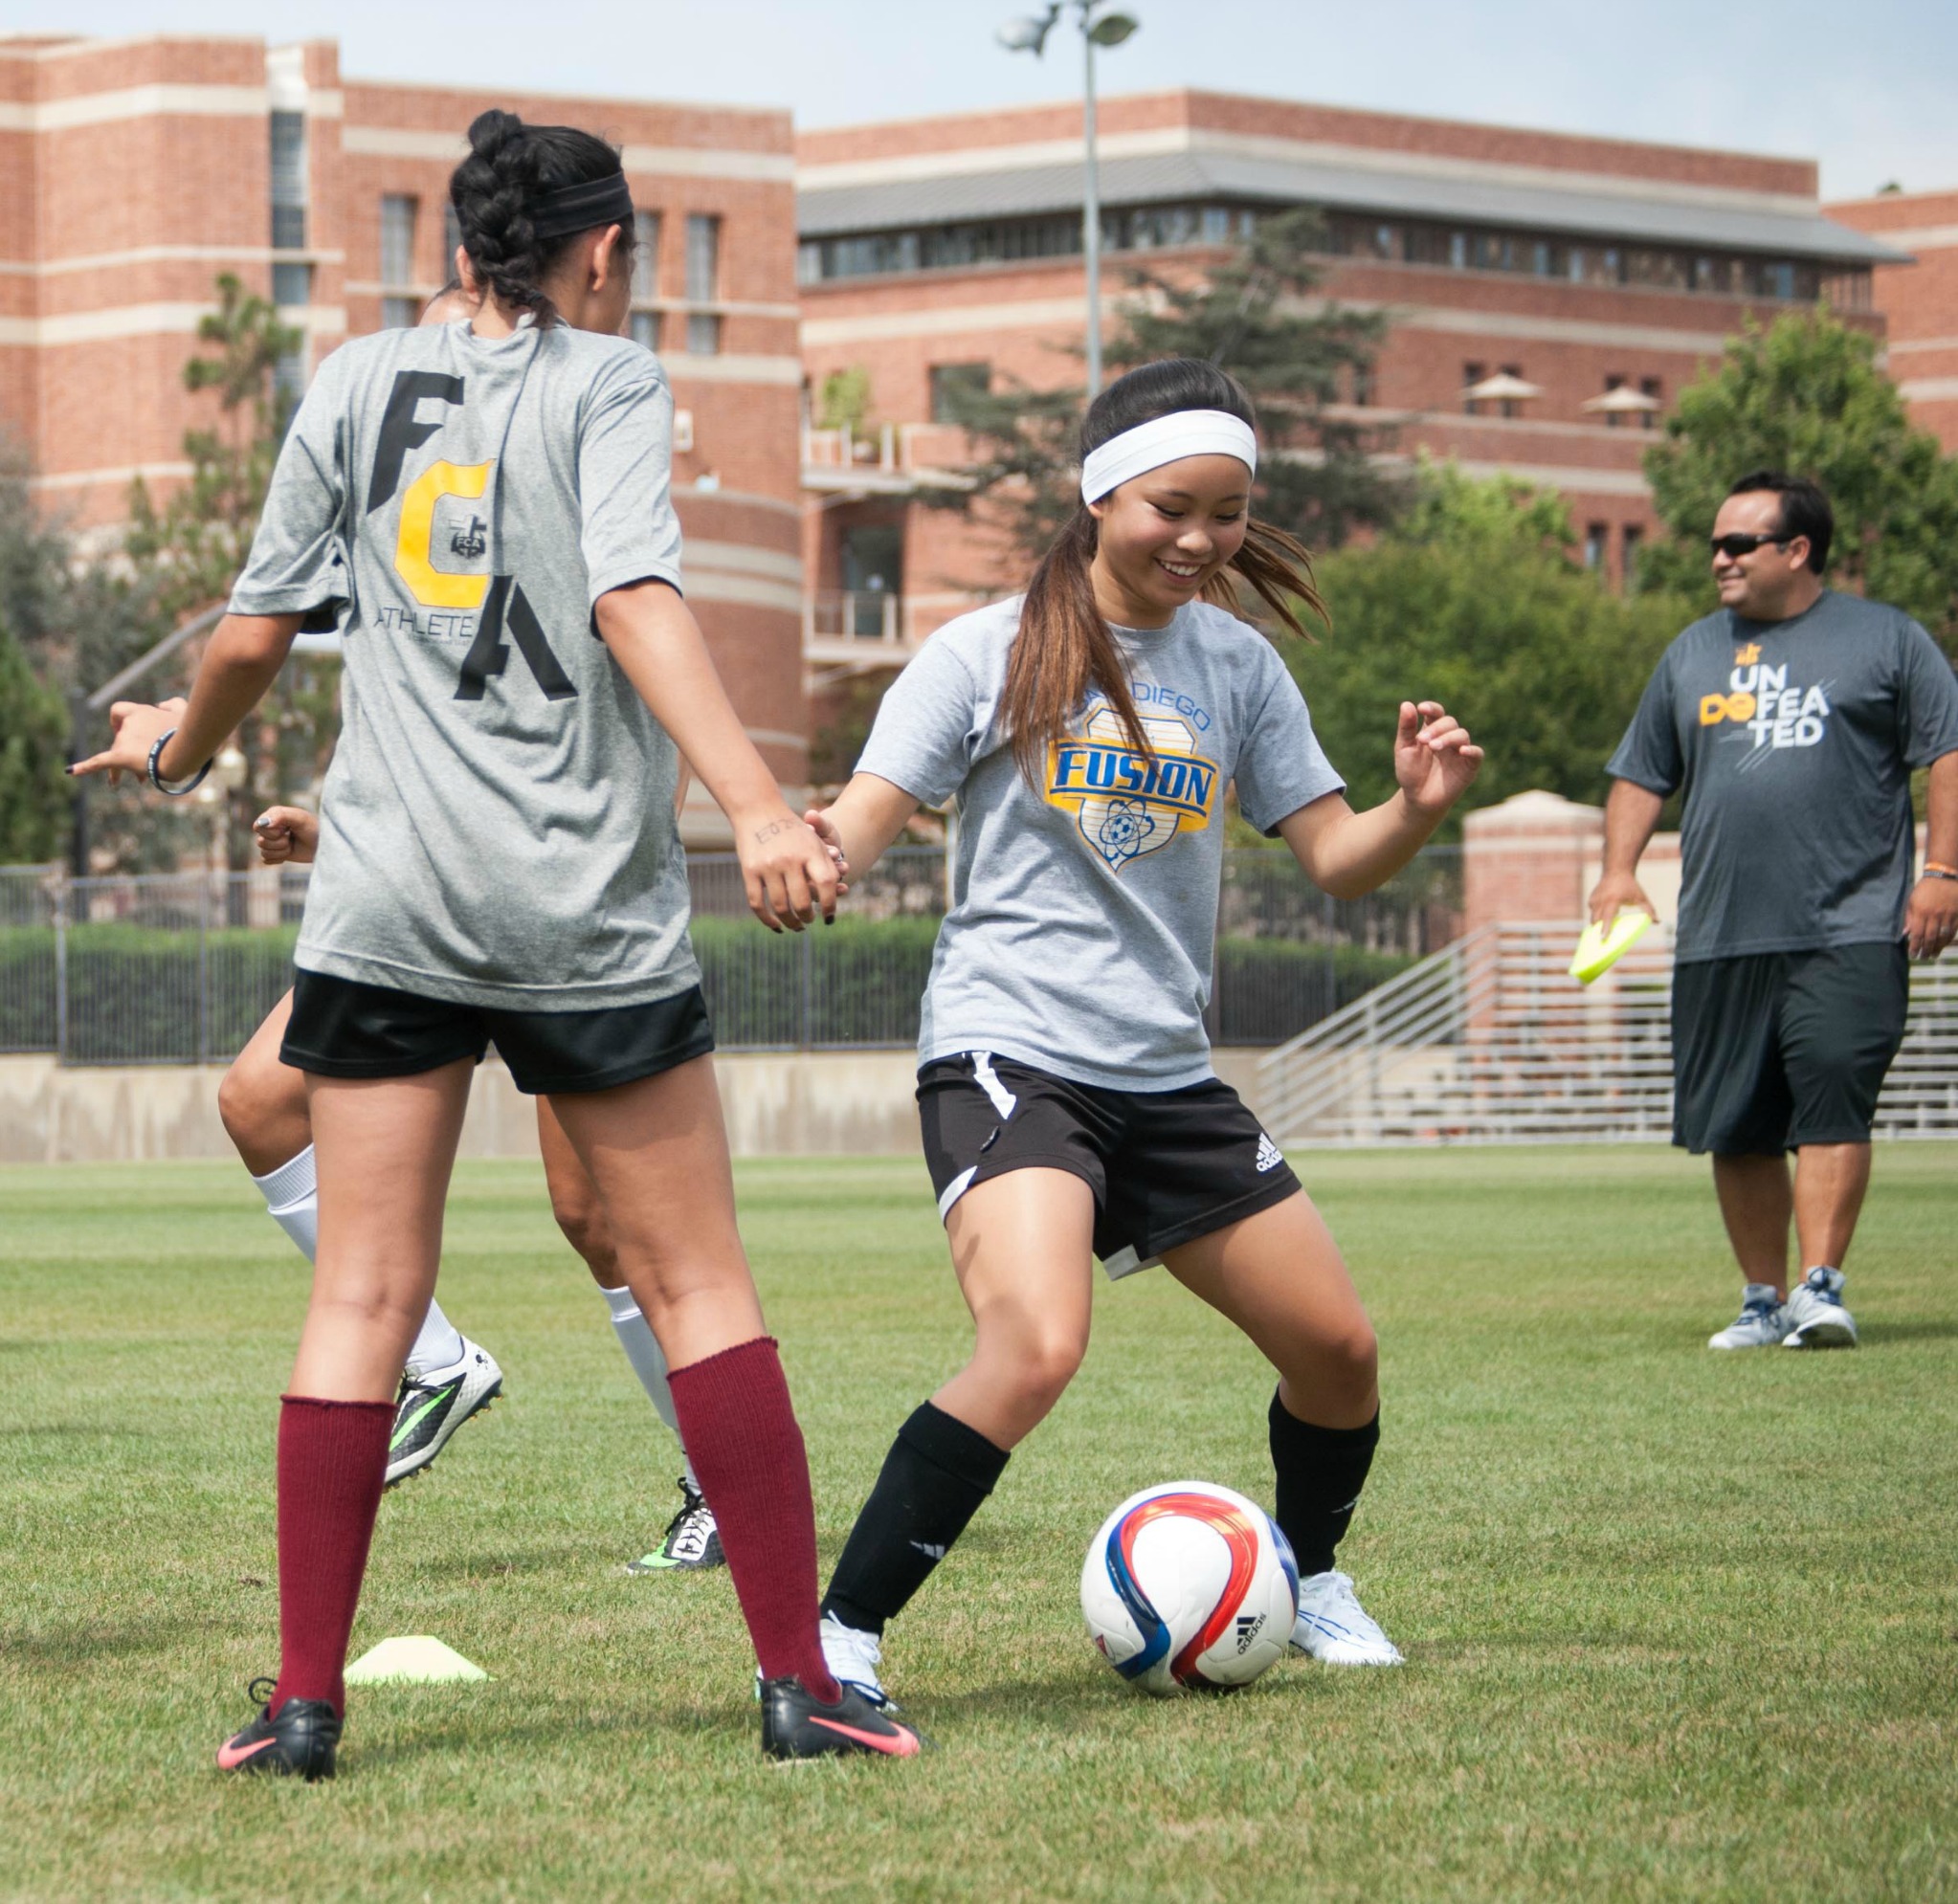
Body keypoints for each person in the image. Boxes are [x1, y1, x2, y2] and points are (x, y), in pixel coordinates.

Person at [74, 109, 919, 1773]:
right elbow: (631, 598)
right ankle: (796, 1684)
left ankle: (306, 1708)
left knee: (364, 1300)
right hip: (575, 905)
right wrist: (755, 802)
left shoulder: (348, 379)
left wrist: (181, 744)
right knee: (697, 1283)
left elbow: (254, 632)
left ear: (460, 245)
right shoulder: (609, 382)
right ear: (601, 251)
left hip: (386, 902)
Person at [799, 358, 1482, 1708]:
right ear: (1099, 494)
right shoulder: (982, 651)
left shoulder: (1237, 664)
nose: (1202, 539)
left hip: (1167, 1074)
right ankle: (839, 1638)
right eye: (1175, 505)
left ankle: (1307, 1570)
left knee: (1337, 1351)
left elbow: (1337, 855)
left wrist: (1412, 807)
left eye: (1227, 513)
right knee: (1036, 1341)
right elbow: (863, 815)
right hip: (1011, 1055)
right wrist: (800, 849)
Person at [241, 803, 721, 1569]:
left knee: (596, 1220)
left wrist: (179, 752)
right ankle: (439, 1361)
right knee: (259, 1103)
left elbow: (650, 762)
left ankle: (719, 1488)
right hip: (424, 903)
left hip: (559, 904)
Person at [1592, 470, 1958, 1352]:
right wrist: (1616, 874)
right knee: (1739, 1123)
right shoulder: (1690, 653)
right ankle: (1761, 1300)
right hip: (1720, 932)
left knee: (1834, 1095)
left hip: (1850, 926)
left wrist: (1942, 868)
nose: (1717, 558)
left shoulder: (1886, 640)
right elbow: (1642, 772)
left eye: (1737, 544)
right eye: (1714, 544)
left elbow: (1946, 751)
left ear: (1797, 550)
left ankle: (1819, 1287)